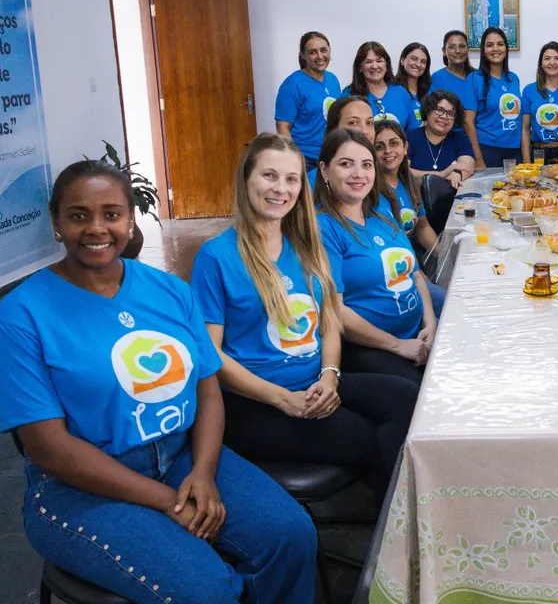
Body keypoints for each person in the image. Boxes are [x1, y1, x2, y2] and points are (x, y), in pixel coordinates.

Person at [0, 160, 318, 603]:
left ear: (130, 220)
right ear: (56, 223)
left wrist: (203, 472)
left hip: (181, 457)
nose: (97, 228)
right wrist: (166, 500)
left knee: (290, 535)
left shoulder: (170, 290)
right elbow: (49, 450)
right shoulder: (18, 317)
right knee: (206, 589)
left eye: (111, 214)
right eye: (79, 215)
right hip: (79, 489)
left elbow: (207, 390)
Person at [190, 133, 418, 501]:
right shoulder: (215, 256)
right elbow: (210, 355)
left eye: (291, 179)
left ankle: (390, 516)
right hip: (256, 402)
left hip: (314, 383)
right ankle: (394, 524)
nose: (281, 188)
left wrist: (330, 375)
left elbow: (328, 324)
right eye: (269, 175)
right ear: (246, 179)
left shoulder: (305, 246)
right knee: (378, 437)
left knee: (406, 399)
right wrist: (283, 399)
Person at [316, 128, 437, 385]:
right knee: (420, 394)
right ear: (325, 171)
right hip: (371, 347)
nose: (358, 173)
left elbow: (415, 275)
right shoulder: (324, 228)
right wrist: (397, 345)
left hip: (417, 333)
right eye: (346, 164)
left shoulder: (382, 212)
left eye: (366, 164)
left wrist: (430, 322)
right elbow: (335, 311)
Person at [374, 120, 447, 318]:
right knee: (448, 303)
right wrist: (421, 278)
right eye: (379, 147)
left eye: (394, 143)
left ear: (405, 147)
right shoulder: (373, 193)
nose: (388, 151)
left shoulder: (407, 182)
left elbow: (422, 228)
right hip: (398, 272)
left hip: (414, 264)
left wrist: (445, 257)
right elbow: (395, 246)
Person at [275, 31, 342, 171]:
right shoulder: (292, 84)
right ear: (303, 55)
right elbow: (283, 128)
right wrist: (294, 160)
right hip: (306, 160)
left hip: (331, 155)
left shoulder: (333, 80)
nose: (320, 56)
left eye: (324, 50)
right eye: (313, 52)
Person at [467, 26, 522, 169]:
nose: (495, 49)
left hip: (515, 149)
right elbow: (468, 122)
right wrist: (478, 159)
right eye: (490, 45)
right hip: (488, 149)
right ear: (483, 50)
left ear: (506, 48)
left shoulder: (513, 78)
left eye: (500, 44)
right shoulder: (474, 79)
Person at [342, 41, 420, 129]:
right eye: (368, 62)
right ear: (360, 67)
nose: (375, 66)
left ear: (386, 65)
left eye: (379, 61)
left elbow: (413, 130)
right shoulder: (349, 95)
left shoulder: (401, 92)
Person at [407, 90, 476, 188]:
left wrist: (457, 173)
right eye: (439, 110)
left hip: (451, 195)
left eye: (450, 113)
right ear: (428, 111)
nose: (444, 116)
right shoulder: (410, 136)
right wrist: (442, 175)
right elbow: (403, 171)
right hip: (415, 195)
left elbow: (468, 166)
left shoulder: (459, 138)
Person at [430, 30, 479, 139]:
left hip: (482, 138)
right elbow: (433, 113)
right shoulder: (438, 77)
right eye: (452, 47)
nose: (458, 51)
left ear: (467, 49)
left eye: (462, 46)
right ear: (444, 51)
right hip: (451, 138)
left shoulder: (478, 76)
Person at [396, 42, 431, 125]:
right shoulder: (392, 90)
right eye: (414, 59)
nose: (418, 64)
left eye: (423, 62)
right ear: (402, 60)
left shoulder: (429, 91)